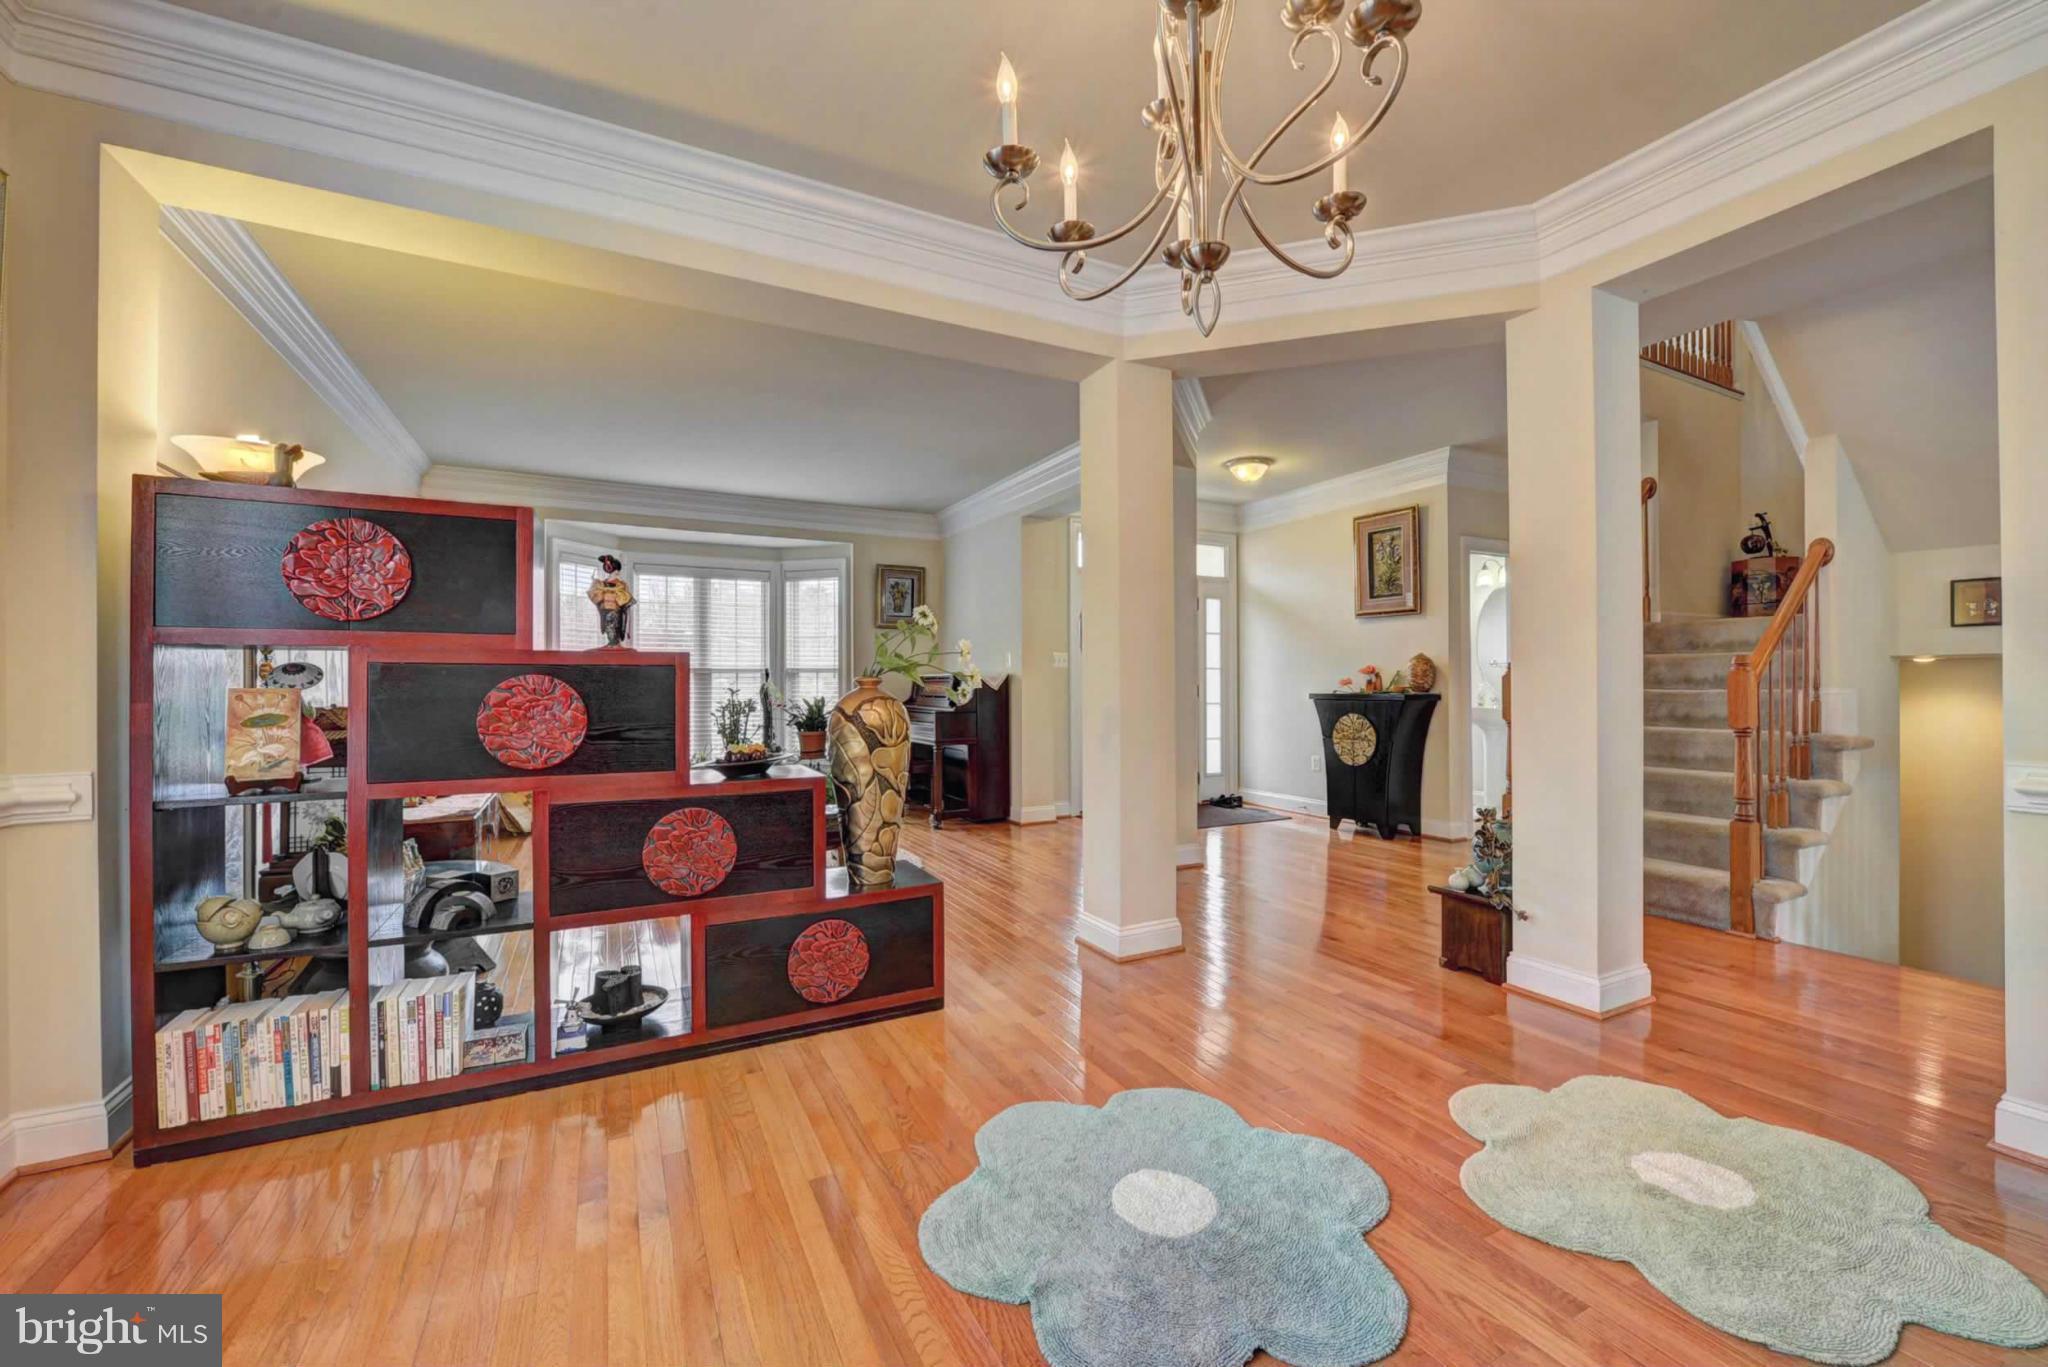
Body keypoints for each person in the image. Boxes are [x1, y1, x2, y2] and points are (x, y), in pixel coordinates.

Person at [588, 555, 635, 648]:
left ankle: (615, 642)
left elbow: (624, 598)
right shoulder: (602, 583)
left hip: (616, 609)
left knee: (613, 623)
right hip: (605, 608)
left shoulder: (621, 584)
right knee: (607, 624)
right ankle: (611, 642)